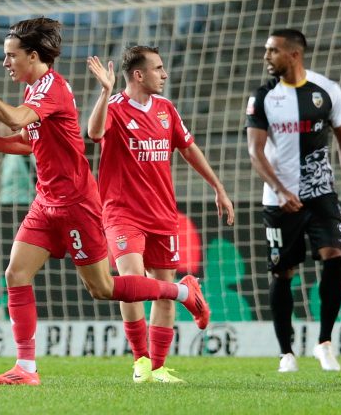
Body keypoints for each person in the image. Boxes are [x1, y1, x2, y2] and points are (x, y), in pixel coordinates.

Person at [0, 17, 210, 386]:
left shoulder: (52, 89)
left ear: (34, 56)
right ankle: (26, 368)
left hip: (77, 203)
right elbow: (28, 140)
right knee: (16, 273)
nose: (6, 63)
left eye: (11, 56)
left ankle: (183, 292)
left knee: (103, 288)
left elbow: (11, 118)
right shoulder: (33, 89)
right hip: (46, 201)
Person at [87, 47, 234, 383]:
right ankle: (140, 359)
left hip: (162, 213)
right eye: (158, 68)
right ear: (139, 75)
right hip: (122, 213)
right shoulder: (114, 108)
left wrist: (218, 186)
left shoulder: (167, 109)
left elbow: (188, 148)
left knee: (161, 288)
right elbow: (94, 134)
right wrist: (106, 91)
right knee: (133, 279)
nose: (164, 74)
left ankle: (158, 367)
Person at [245, 29, 341, 373]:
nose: (267, 56)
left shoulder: (327, 91)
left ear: (294, 54)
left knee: (335, 255)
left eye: (273, 51)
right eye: (267, 50)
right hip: (279, 201)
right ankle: (286, 353)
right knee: (283, 272)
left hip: (322, 194)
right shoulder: (263, 96)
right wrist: (281, 190)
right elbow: (255, 152)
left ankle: (324, 343)